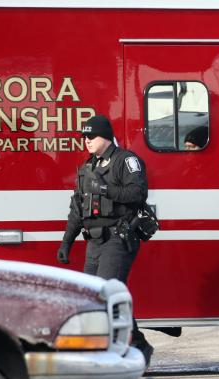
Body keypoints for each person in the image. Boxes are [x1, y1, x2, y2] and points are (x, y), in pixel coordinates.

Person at [57, 114, 154, 366]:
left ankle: (130, 350)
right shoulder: (87, 167)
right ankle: (136, 346)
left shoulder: (127, 160)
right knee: (93, 298)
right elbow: (78, 208)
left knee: (105, 296)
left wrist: (105, 189)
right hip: (94, 242)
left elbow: (137, 193)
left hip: (117, 238)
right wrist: (67, 242)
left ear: (105, 137)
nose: (86, 141)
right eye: (84, 137)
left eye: (91, 136)